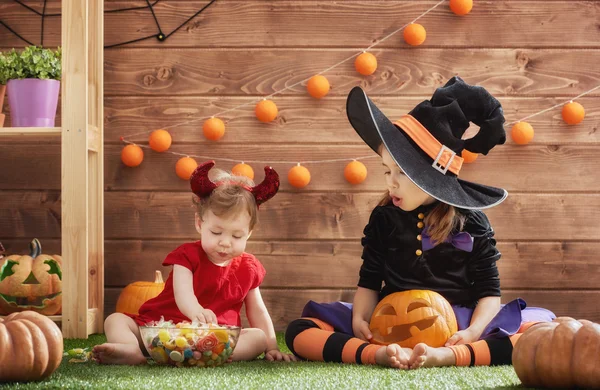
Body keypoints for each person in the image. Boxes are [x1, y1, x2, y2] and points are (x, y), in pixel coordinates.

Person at [285, 77, 554, 369]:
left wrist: (473, 333)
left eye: (400, 172)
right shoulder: (384, 218)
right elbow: (369, 281)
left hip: (457, 324)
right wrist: (360, 320)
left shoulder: (472, 222)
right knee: (300, 330)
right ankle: (373, 354)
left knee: (541, 331)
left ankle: (450, 357)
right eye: (386, 171)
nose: (390, 183)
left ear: (431, 176)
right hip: (389, 320)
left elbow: (489, 292)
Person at [94, 161, 296, 364]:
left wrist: (272, 347)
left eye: (236, 236)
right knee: (116, 320)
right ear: (200, 224)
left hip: (215, 338)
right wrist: (196, 312)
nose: (225, 242)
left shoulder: (249, 267)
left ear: (249, 233)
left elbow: (258, 310)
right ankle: (131, 350)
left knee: (258, 337)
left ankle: (221, 353)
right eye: (216, 232)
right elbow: (184, 294)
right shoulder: (187, 255)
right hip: (164, 331)